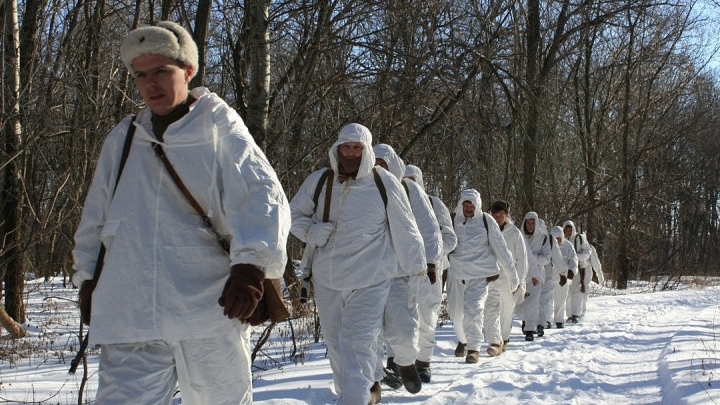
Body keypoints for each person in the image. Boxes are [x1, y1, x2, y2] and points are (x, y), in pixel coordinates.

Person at [71, 21, 291, 405]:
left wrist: (250, 266)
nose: (150, 84)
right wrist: (88, 279)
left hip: (207, 307)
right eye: (141, 76)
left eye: (161, 72)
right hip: (130, 309)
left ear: (188, 71)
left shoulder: (218, 125)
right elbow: (97, 219)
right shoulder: (124, 138)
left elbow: (262, 197)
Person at [289, 124, 426, 405]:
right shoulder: (320, 181)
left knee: (357, 344)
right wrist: (310, 232)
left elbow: (406, 230)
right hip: (327, 282)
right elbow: (291, 215)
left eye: (357, 148)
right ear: (337, 149)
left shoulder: (383, 183)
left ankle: (355, 398)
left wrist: (418, 272)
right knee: (337, 347)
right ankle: (357, 394)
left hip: (369, 281)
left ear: (365, 151)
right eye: (346, 147)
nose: (350, 153)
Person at [372, 144, 440, 394]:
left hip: (401, 272)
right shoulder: (362, 188)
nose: (378, 168)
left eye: (383, 164)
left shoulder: (409, 189)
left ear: (393, 165)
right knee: (369, 332)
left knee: (403, 328)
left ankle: (405, 363)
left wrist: (430, 262)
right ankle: (372, 381)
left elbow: (429, 229)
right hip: (369, 273)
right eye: (374, 162)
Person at [446, 189, 518, 364]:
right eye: (466, 205)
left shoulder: (486, 221)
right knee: (456, 313)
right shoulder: (451, 219)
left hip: (479, 275)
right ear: (461, 204)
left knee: (474, 309)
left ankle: (473, 348)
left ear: (477, 206)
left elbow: (501, 249)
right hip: (456, 275)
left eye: (472, 206)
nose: (469, 209)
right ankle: (463, 340)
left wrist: (512, 276)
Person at [405, 164, 457, 382]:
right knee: (404, 318)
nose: (409, 183)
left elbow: (450, 238)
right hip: (403, 270)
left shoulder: (435, 204)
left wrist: (432, 256)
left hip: (431, 272)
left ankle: (424, 361)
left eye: (413, 179)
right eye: (405, 179)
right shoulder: (394, 201)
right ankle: (404, 361)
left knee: (427, 315)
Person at [486, 200, 528, 355]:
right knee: (490, 311)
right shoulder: (486, 229)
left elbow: (522, 259)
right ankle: (494, 342)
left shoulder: (514, 233)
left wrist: (520, 281)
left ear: (506, 215)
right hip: (490, 277)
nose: (497, 218)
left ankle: (504, 338)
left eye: (501, 215)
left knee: (506, 311)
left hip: (509, 280)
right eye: (495, 215)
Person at [517, 212, 550, 341]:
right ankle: (525, 321)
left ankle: (530, 329)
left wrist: (532, 259)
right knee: (519, 305)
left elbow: (546, 258)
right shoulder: (518, 236)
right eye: (528, 223)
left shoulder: (543, 238)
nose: (530, 225)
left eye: (533, 223)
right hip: (520, 275)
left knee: (532, 304)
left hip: (536, 276)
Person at [563, 220, 592, 323]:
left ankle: (576, 313)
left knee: (576, 291)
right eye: (566, 229)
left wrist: (576, 257)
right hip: (566, 270)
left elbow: (588, 251)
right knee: (567, 292)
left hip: (579, 268)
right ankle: (569, 314)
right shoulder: (562, 240)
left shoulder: (579, 238)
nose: (568, 231)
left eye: (570, 229)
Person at [551, 225, 577, 328]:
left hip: (564, 276)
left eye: (559, 238)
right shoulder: (548, 246)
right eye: (555, 238)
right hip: (551, 277)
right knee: (548, 300)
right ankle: (547, 319)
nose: (557, 240)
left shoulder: (568, 246)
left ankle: (559, 320)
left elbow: (573, 259)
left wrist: (572, 271)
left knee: (562, 299)